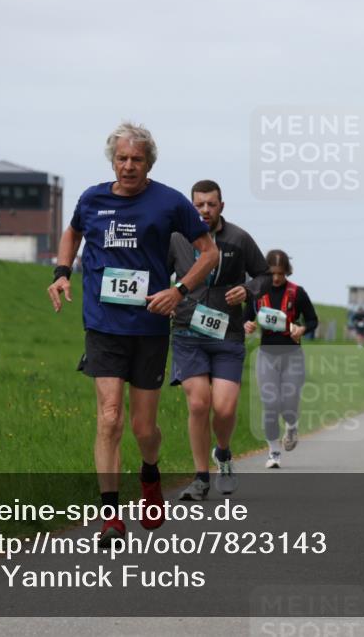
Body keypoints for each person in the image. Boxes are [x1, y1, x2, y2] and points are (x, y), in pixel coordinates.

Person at [47, 122, 218, 545]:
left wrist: (177, 291)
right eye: (122, 159)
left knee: (144, 428)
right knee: (109, 418)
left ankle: (150, 475)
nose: (128, 166)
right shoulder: (92, 199)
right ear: (112, 160)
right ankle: (110, 517)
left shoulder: (170, 202)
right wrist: (62, 272)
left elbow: (209, 253)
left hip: (149, 327)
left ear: (149, 163)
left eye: (136, 160)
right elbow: (72, 231)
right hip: (103, 325)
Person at [168, 180, 270, 501]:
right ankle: (200, 479)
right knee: (199, 403)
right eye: (199, 205)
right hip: (187, 332)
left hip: (228, 333)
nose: (205, 211)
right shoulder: (177, 239)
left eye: (211, 204)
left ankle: (223, 453)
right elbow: (158, 271)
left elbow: (264, 273)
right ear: (191, 206)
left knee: (224, 409)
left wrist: (249, 290)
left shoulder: (238, 239)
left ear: (221, 206)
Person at [244, 250, 319, 469]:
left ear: (287, 271)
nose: (276, 278)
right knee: (270, 404)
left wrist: (302, 328)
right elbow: (245, 317)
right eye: (272, 273)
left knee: (288, 401)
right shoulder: (257, 292)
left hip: (292, 354)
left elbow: (313, 320)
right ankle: (274, 452)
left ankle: (292, 425)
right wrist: (246, 325)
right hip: (266, 355)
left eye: (280, 273)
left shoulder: (297, 293)